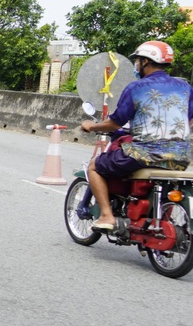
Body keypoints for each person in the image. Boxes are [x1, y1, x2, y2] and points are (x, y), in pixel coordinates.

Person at [81, 40, 193, 232]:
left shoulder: (136, 88)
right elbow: (188, 119)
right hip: (181, 155)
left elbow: (115, 122)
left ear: (145, 62)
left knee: (94, 166)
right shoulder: (185, 88)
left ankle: (107, 215)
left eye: (138, 61)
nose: (137, 65)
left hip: (145, 153)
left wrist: (92, 126)